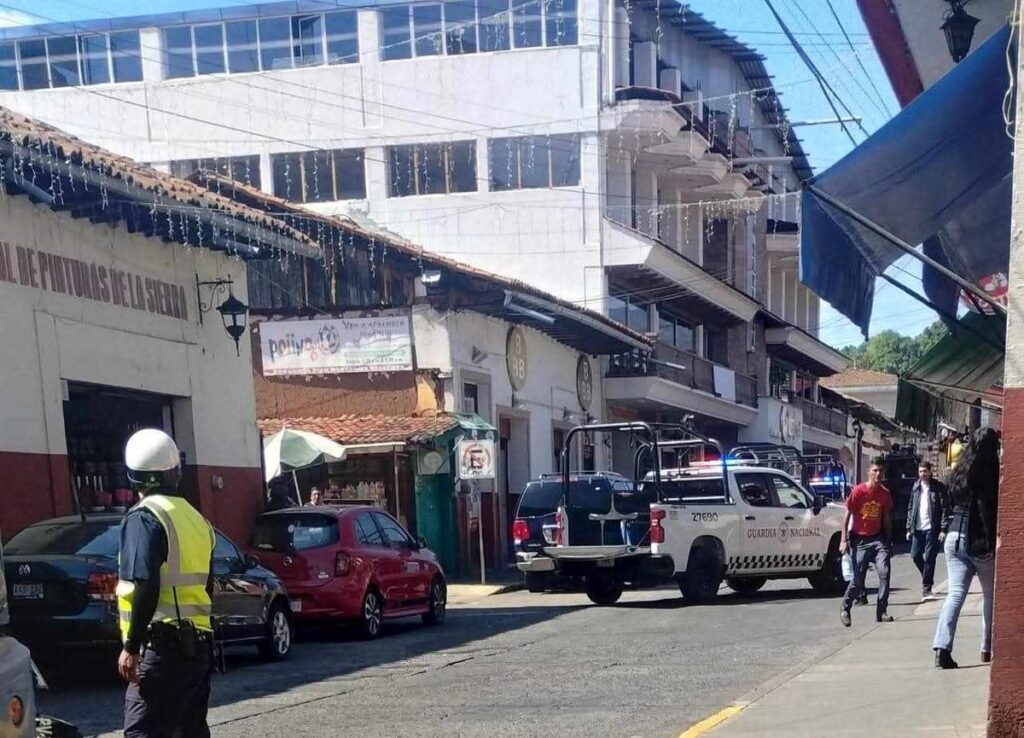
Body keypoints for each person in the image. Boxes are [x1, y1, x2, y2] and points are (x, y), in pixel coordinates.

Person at [116, 429, 216, 738]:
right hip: (198, 648)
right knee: (190, 730)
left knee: (142, 732)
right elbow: (207, 588)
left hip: (162, 646)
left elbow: (146, 583)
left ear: (133, 477)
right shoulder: (198, 520)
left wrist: (131, 647)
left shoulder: (144, 518)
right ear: (176, 471)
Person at [933, 427, 1000, 669]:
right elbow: (986, 512)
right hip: (978, 540)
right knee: (990, 597)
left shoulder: (959, 472)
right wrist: (990, 543)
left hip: (953, 537)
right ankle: (987, 648)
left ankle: (942, 646)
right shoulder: (990, 473)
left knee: (955, 594)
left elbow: (949, 503)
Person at [840, 458, 894, 627]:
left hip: (878, 539)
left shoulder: (884, 493)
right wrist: (844, 540)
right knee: (857, 580)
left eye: (881, 471)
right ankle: (845, 607)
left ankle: (881, 611)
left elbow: (886, 518)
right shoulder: (858, 491)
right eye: (875, 470)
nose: (878, 474)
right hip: (860, 539)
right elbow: (846, 516)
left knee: (884, 572)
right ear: (868, 472)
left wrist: (888, 540)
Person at [906, 461, 946, 600]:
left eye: (925, 471)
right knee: (915, 555)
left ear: (930, 471)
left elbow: (945, 508)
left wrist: (943, 528)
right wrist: (908, 527)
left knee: (930, 558)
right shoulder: (916, 486)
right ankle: (927, 576)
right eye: (920, 471)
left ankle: (926, 588)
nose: (922, 474)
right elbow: (911, 507)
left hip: (932, 528)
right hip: (917, 528)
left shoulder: (938, 487)